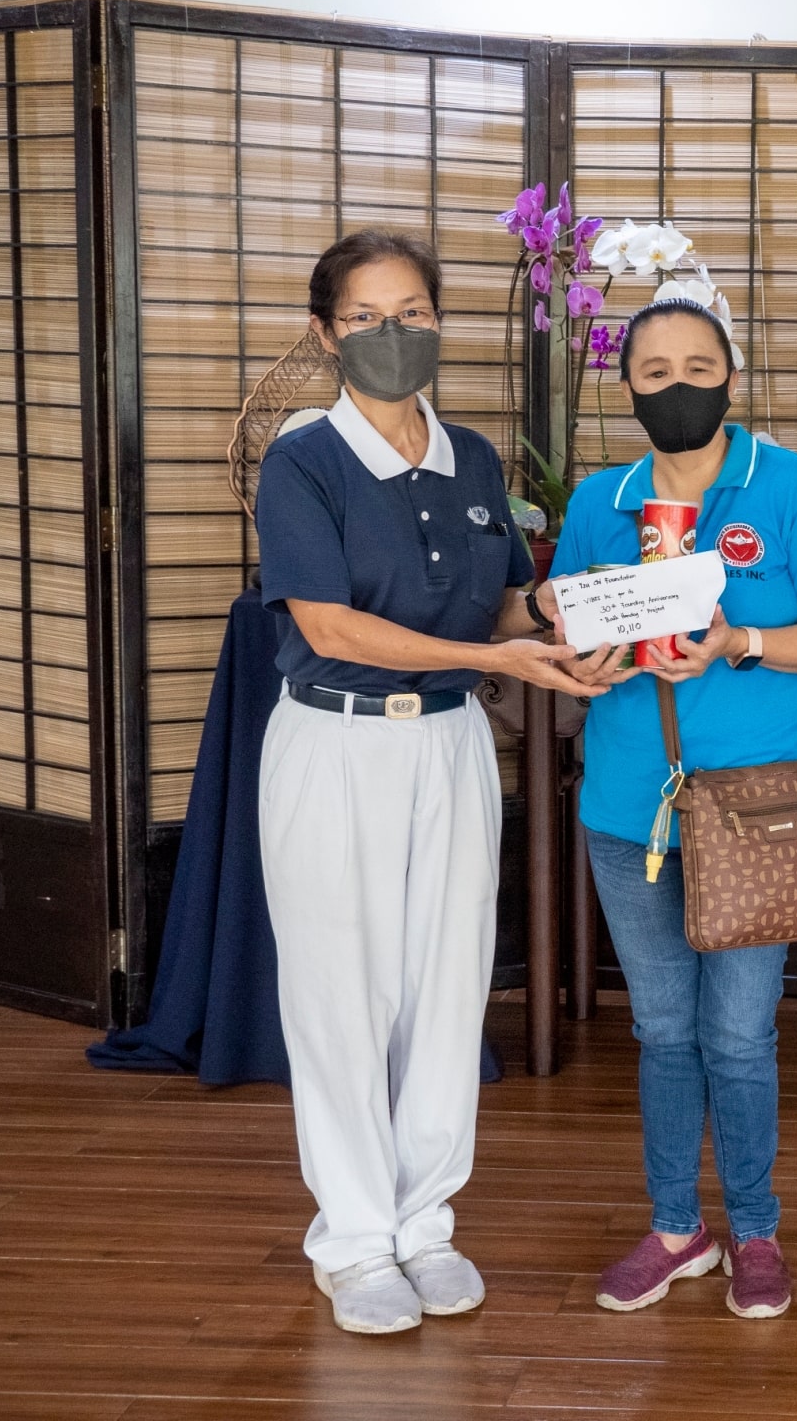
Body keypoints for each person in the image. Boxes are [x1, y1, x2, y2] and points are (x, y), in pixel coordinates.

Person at [255, 231, 617, 1335]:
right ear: (325, 335)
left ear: (439, 323)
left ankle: (426, 1224)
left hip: (450, 744)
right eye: (364, 318)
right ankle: (357, 1240)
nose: (391, 335)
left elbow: (503, 604)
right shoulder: (302, 460)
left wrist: (555, 616)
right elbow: (325, 622)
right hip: (334, 745)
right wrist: (496, 657)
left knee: (445, 988)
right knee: (341, 996)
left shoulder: (468, 459)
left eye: (411, 312)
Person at [543, 297, 797, 1321]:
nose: (677, 386)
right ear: (625, 386)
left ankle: (756, 1230)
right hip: (627, 809)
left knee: (738, 1035)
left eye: (697, 366)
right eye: (654, 371)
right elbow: (563, 633)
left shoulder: (788, 488)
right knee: (662, 1028)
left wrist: (737, 641)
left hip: (754, 809)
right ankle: (677, 1227)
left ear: (730, 375)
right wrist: (580, 652)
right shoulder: (602, 499)